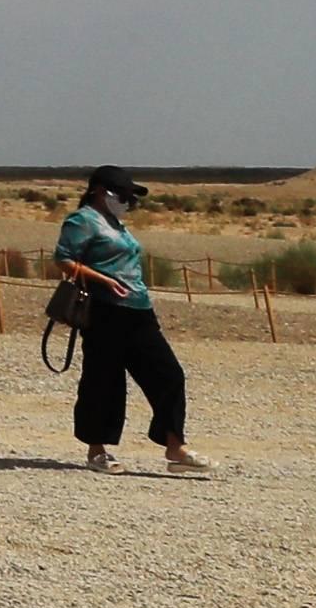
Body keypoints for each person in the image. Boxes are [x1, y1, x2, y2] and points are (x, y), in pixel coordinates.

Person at [54, 165, 207, 474]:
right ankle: (97, 450)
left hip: (138, 309)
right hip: (104, 310)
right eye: (122, 193)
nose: (127, 200)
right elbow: (64, 259)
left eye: (129, 196)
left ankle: (175, 447)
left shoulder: (117, 223)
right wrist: (103, 280)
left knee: (168, 374)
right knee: (103, 380)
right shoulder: (82, 220)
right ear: (99, 190)